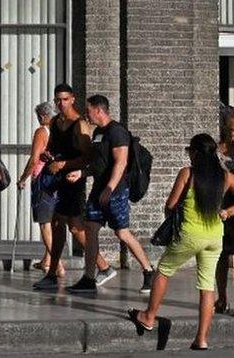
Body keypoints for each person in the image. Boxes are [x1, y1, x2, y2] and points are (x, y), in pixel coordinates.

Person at [129, 134, 234, 351]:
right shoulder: (226, 176)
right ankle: (201, 339)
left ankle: (148, 317)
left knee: (163, 271)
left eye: (189, 152)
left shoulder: (188, 173)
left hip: (189, 234)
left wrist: (172, 215)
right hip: (215, 237)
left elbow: (170, 204)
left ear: (194, 153)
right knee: (207, 287)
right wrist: (227, 211)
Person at [68, 95, 154, 294]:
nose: (86, 115)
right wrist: (82, 172)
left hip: (114, 191)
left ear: (99, 110)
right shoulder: (98, 132)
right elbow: (99, 163)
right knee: (91, 230)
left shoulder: (117, 132)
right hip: (99, 190)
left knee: (122, 233)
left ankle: (148, 270)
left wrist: (109, 188)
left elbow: (120, 162)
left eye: (88, 110)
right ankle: (89, 278)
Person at [33, 84, 113, 291]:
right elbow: (53, 149)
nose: (60, 103)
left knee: (75, 227)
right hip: (57, 180)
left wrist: (64, 165)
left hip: (72, 181)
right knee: (60, 225)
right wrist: (48, 156)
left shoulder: (80, 124)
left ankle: (101, 267)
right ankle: (54, 272)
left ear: (73, 99)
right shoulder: (55, 123)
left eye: (64, 99)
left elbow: (88, 157)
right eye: (57, 100)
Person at [17, 101, 63, 277]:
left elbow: (34, 159)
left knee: (44, 224)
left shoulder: (42, 131)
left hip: (42, 179)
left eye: (38, 116)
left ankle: (58, 266)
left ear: (44, 116)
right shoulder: (59, 131)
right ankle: (47, 261)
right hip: (57, 180)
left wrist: (23, 178)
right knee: (52, 222)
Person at [214, 115, 234, 313]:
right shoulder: (217, 150)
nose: (233, 134)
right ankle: (222, 298)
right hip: (220, 206)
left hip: (230, 208)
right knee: (221, 255)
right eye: (230, 130)